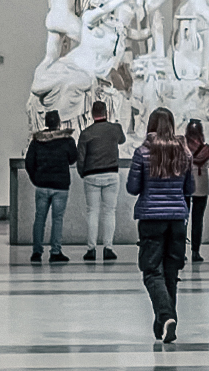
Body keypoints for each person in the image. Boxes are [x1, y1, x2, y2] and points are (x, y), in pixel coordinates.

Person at [127, 107, 194, 343]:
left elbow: (133, 187)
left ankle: (165, 316)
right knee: (171, 272)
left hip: (151, 218)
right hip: (177, 219)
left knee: (151, 271)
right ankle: (164, 323)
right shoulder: (184, 153)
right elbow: (190, 189)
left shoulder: (143, 152)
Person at [24, 109, 79, 263]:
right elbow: (73, 158)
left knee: (39, 218)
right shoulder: (67, 140)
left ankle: (36, 252)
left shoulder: (37, 140)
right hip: (60, 185)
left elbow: (29, 162)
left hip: (42, 184)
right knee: (57, 219)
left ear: (46, 123)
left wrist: (35, 178)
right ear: (59, 123)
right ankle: (55, 252)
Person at [78, 100, 126, 261]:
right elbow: (122, 140)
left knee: (92, 211)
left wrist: (82, 173)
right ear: (106, 112)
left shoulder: (86, 133)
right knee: (109, 212)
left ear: (92, 114)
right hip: (111, 174)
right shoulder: (115, 129)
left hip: (91, 175)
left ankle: (91, 249)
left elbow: (81, 158)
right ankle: (108, 248)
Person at [184, 120, 209, 261]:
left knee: (183, 220)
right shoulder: (207, 149)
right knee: (198, 220)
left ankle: (180, 251)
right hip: (201, 185)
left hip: (186, 185)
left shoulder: (183, 148)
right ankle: (195, 251)